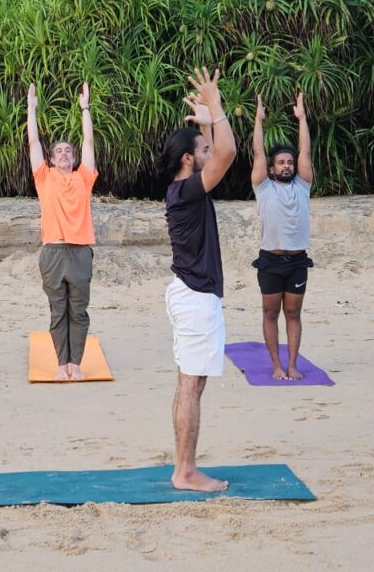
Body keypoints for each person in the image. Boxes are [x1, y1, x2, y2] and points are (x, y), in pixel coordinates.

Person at [158, 67, 237, 492]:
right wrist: (218, 108)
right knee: (191, 386)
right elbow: (226, 153)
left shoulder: (183, 189)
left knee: (187, 383)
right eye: (200, 147)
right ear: (189, 158)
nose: (207, 149)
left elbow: (215, 149)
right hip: (196, 297)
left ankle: (182, 466)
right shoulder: (188, 190)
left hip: (187, 293)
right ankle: (185, 471)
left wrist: (206, 116)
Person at [26, 82, 98, 380]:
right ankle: (60, 364)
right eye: (59, 151)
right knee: (58, 311)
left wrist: (85, 108)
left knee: (78, 311)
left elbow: (90, 143)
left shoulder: (84, 177)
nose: (65, 153)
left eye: (69, 150)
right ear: (53, 159)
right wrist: (31, 109)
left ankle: (76, 364)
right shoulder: (44, 177)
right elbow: (33, 144)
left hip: (80, 251)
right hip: (53, 251)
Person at [250, 92, 315, 380]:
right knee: (269, 314)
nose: (287, 165)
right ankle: (276, 365)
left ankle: (292, 365)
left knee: (293, 314)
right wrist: (258, 120)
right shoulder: (263, 187)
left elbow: (306, 153)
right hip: (270, 262)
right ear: (273, 168)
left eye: (289, 162)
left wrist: (301, 118)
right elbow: (258, 153)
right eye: (281, 163)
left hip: (297, 261)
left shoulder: (302, 186)